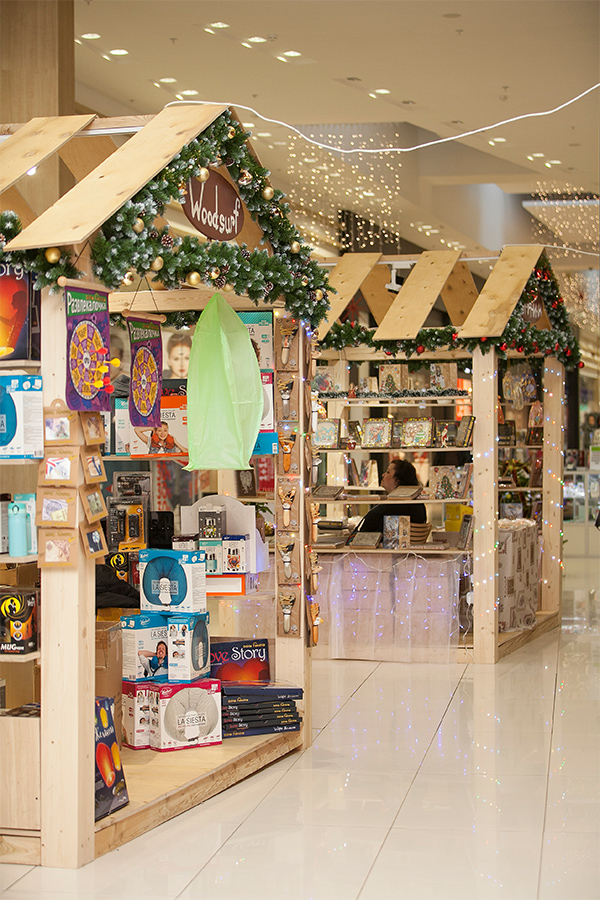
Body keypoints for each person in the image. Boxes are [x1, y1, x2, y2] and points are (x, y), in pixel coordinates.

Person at [353, 458, 427, 534]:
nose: (383, 475)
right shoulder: (418, 505)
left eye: (388, 472)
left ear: (398, 480)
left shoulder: (393, 508)